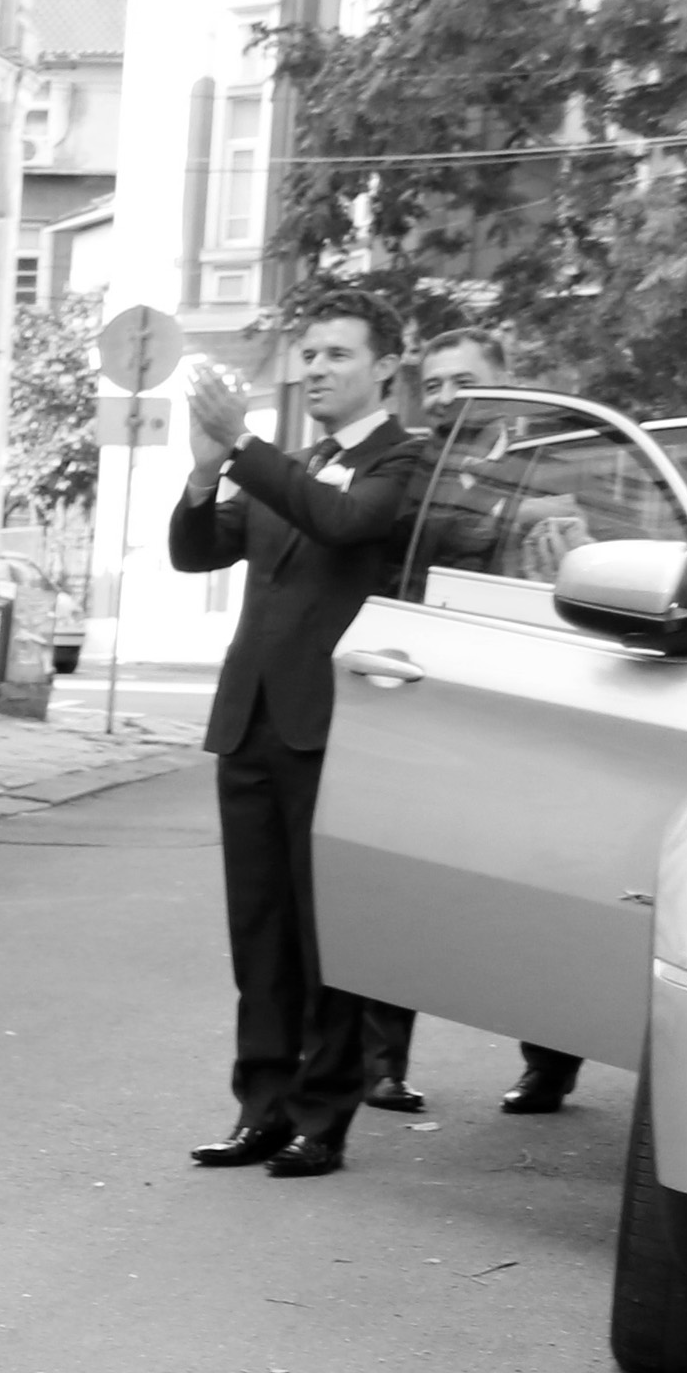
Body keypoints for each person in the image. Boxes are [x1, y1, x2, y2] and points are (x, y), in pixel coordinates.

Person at [171, 290, 438, 1179]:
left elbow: (344, 523)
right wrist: (204, 472)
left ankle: (321, 1118)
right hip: (248, 722)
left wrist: (242, 448)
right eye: (310, 354)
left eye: (336, 354)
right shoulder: (290, 465)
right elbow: (196, 552)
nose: (315, 369)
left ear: (384, 368)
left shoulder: (401, 459)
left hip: (335, 729)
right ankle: (260, 1108)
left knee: (327, 936)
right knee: (258, 933)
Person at [357, 327, 587, 1116]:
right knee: (398, 880)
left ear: (504, 386)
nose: (446, 397)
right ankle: (380, 1063)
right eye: (433, 384)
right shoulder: (407, 471)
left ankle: (548, 1060)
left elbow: (576, 576)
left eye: (464, 381)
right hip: (419, 700)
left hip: (520, 709)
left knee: (535, 891)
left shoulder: (552, 471)